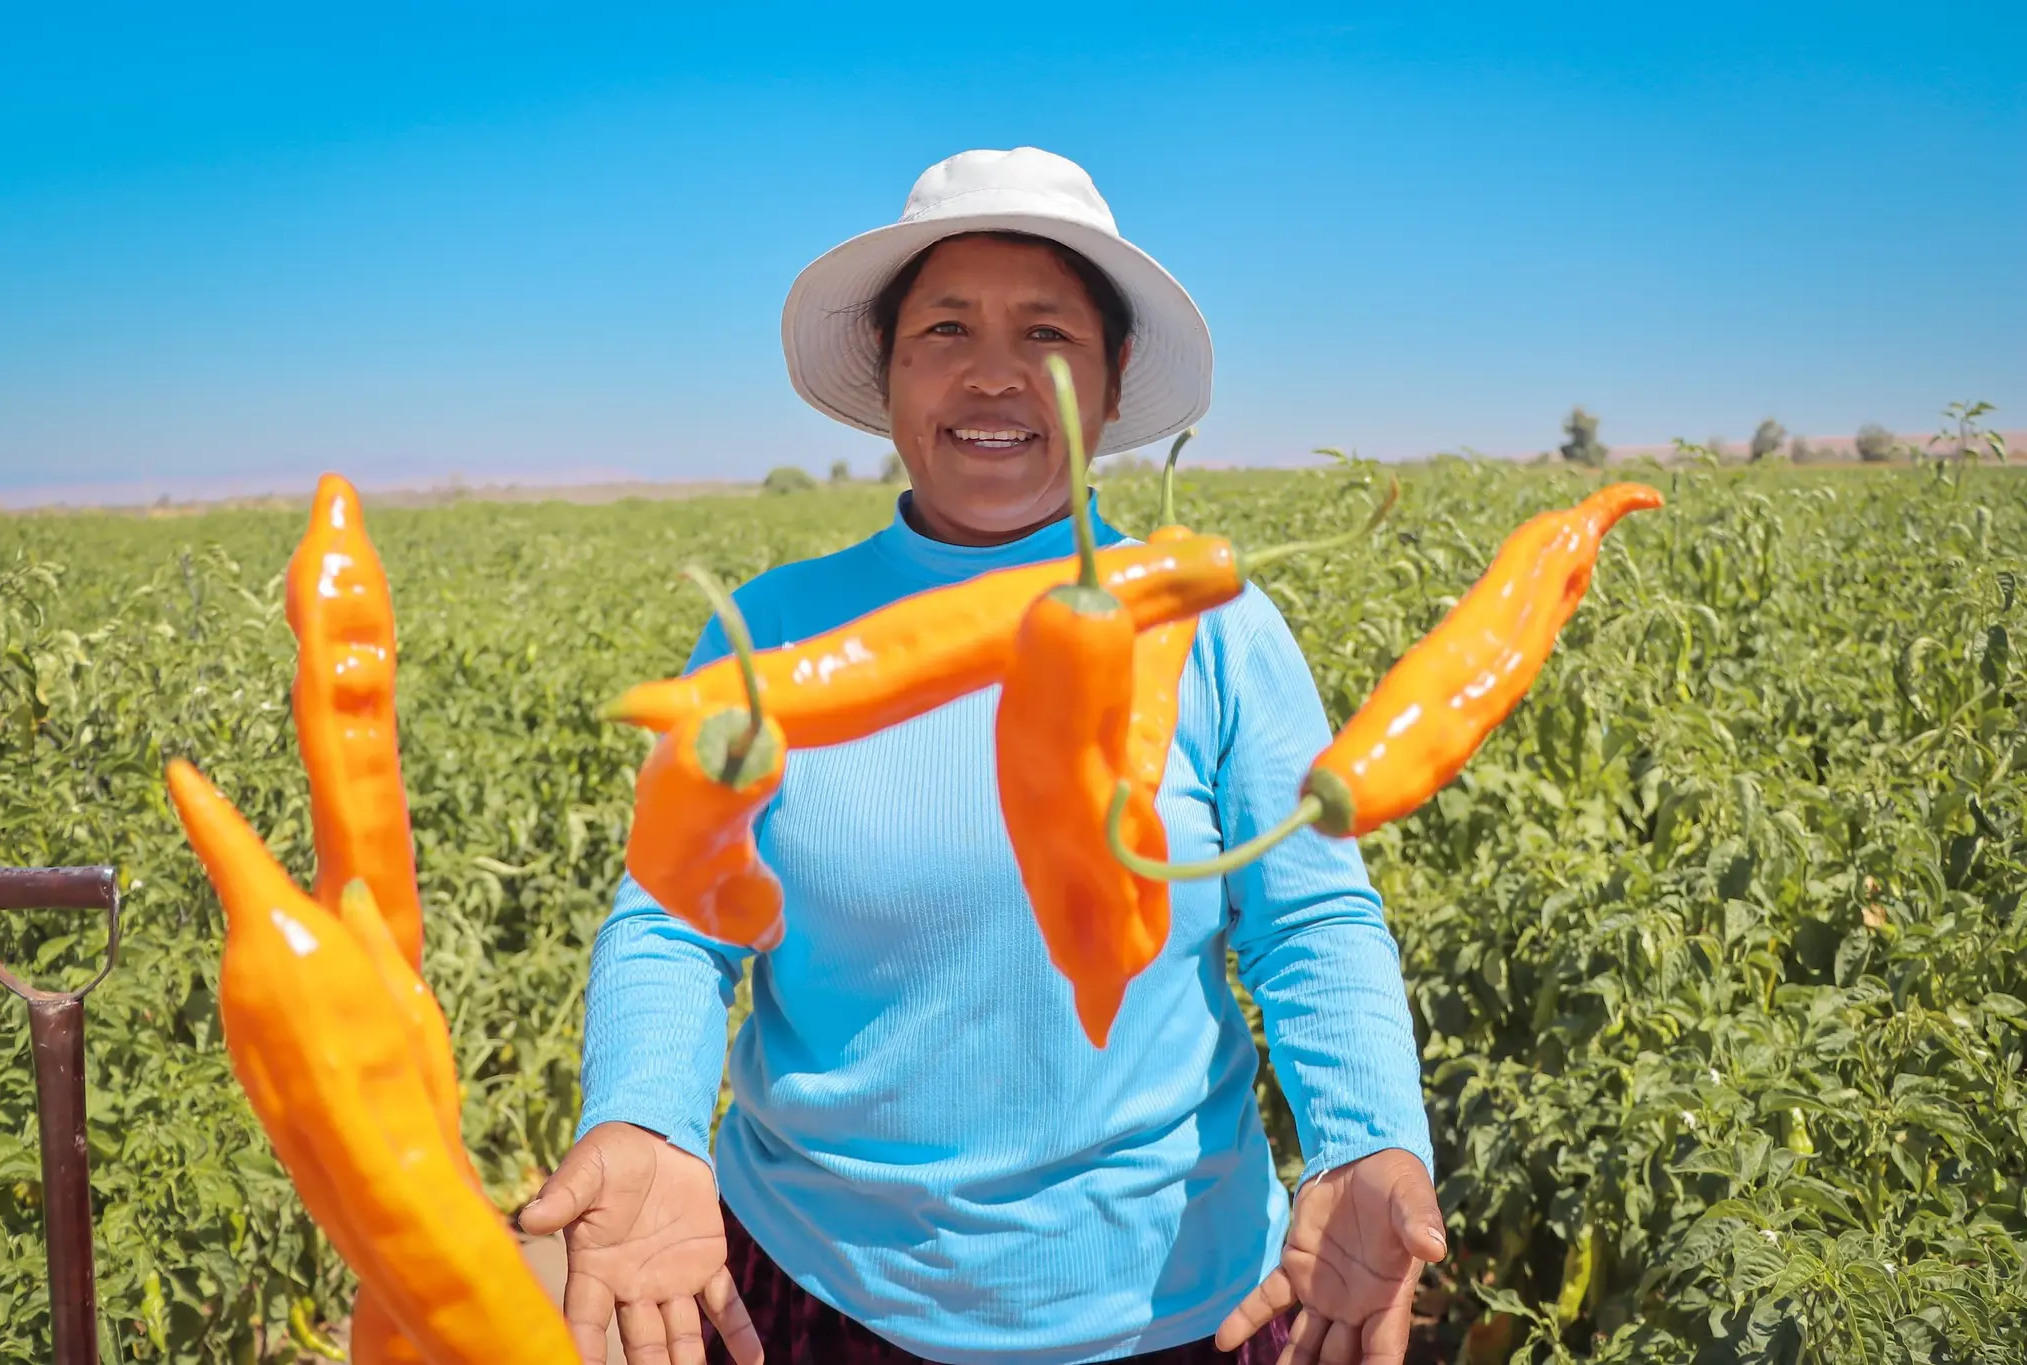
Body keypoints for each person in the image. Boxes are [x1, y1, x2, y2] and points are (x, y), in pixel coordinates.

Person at [521, 147, 1443, 1365]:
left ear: (1111, 383)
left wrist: (1369, 1139)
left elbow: (1311, 921)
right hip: (816, 1283)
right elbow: (673, 921)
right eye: (943, 329)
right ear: (890, 378)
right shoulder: (772, 632)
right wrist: (643, 1116)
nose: (994, 372)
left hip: (1172, 1300)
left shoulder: (1208, 620)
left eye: (1047, 332)